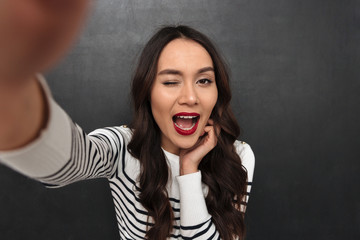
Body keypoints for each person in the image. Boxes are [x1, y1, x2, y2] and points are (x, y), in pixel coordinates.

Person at [0, 1, 255, 239]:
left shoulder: (239, 157)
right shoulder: (123, 147)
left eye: (204, 81)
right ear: (148, 92)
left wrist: (189, 172)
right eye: (170, 81)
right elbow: (67, 164)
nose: (190, 97)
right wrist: (12, 89)